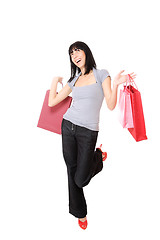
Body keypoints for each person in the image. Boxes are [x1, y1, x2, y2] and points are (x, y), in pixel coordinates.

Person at [48, 41, 136, 230]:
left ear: (86, 52)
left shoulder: (101, 74)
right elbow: (52, 102)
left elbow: (111, 105)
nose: (74, 55)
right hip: (68, 127)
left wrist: (117, 85)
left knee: (81, 179)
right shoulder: (74, 79)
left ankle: (98, 157)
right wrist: (55, 80)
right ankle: (80, 213)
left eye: (77, 50)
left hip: (88, 132)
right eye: (71, 53)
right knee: (71, 172)